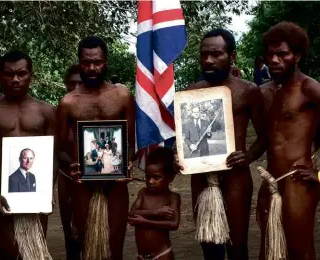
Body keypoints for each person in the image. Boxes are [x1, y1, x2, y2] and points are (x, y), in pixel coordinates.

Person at [185, 28, 266, 259]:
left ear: (232, 57)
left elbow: (264, 136)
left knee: (237, 245)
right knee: (209, 246)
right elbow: (186, 138)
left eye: (216, 54)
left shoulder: (247, 90)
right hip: (202, 177)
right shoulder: (192, 92)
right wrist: (178, 154)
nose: (208, 60)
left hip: (235, 177)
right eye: (204, 54)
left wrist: (248, 156)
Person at [57, 36, 135, 259]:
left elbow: (130, 143)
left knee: (115, 248)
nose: (91, 68)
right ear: (79, 62)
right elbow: (59, 148)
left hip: (116, 184)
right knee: (87, 247)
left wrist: (127, 163)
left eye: (97, 62)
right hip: (83, 185)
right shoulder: (68, 102)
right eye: (86, 62)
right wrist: (71, 166)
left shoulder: (122, 96)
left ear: (106, 61)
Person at [0, 50, 56, 260]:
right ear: (1, 76)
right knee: (5, 251)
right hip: (1, 197)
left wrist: (47, 191)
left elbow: (53, 155)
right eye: (9, 74)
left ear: (30, 74)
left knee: (34, 251)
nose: (15, 79)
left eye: (21, 74)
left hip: (35, 195)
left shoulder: (46, 111)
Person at [257, 22, 320, 260]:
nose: (274, 60)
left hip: (298, 180)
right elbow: (266, 138)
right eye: (270, 54)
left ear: (297, 55)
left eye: (282, 54)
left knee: (299, 250)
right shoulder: (266, 92)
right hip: (271, 181)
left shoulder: (309, 88)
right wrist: (244, 157)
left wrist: (319, 174)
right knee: (269, 249)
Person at [128, 147, 181, 260]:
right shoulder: (143, 193)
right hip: (142, 256)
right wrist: (155, 212)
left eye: (156, 177)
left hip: (162, 254)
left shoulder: (172, 198)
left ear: (170, 178)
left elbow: (174, 224)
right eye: (148, 176)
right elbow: (131, 214)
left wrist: (145, 221)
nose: (150, 181)